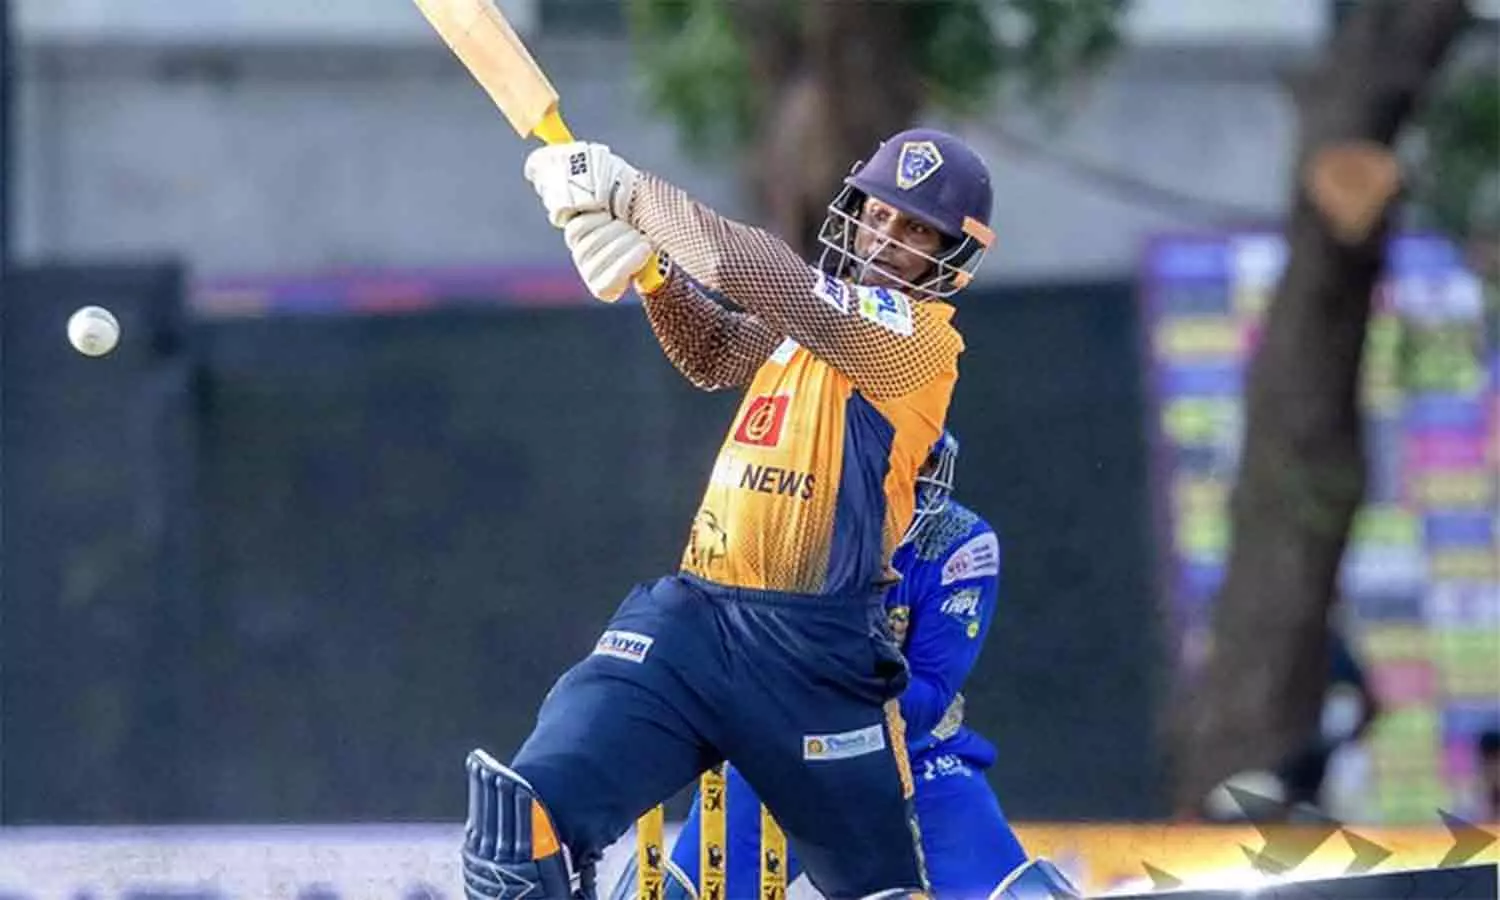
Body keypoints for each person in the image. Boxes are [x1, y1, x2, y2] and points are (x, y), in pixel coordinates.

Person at [463, 128, 1051, 900]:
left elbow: (742, 268)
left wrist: (629, 193)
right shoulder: (810, 325)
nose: (886, 239)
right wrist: (653, 276)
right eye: (879, 215)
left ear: (949, 255)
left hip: (815, 651)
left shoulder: (916, 345)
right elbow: (712, 352)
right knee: (516, 834)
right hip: (695, 618)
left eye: (915, 230)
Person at [605, 431, 1037, 900]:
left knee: (1016, 895)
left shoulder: (959, 543)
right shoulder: (777, 526)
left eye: (922, 468)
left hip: (912, 758)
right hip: (782, 757)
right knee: (677, 894)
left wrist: (829, 680)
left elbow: (931, 692)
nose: (913, 486)